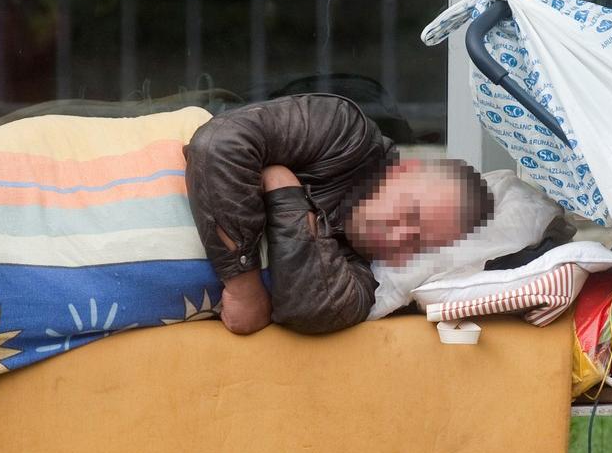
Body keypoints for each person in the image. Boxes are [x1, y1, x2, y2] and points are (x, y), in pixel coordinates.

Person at [184, 93, 494, 335]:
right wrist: (244, 290)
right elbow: (219, 144)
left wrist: (286, 195)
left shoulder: (367, 274)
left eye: (416, 244)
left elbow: (316, 309)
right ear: (404, 171)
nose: (398, 235)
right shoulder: (345, 134)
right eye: (411, 214)